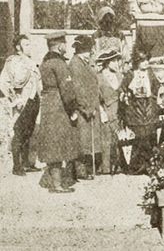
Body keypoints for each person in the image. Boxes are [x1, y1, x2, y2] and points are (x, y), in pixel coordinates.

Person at [33, 31, 80, 193]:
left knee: (51, 143)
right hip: (59, 106)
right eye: (64, 43)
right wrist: (73, 108)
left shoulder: (45, 63)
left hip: (48, 105)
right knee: (59, 144)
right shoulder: (59, 64)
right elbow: (66, 89)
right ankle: (58, 185)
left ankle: (55, 182)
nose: (65, 46)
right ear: (60, 46)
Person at [0, 34, 41, 175]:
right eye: (27, 45)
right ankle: (16, 167)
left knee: (28, 132)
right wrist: (14, 100)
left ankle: (27, 163)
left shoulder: (30, 62)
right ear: (18, 47)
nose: (30, 47)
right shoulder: (13, 62)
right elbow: (5, 83)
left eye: (30, 44)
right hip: (22, 102)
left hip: (33, 101)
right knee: (18, 133)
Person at [119, 51, 161, 174]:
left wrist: (154, 98)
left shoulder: (150, 74)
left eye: (147, 60)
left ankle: (150, 166)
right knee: (138, 138)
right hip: (135, 108)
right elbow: (122, 90)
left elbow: (156, 88)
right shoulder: (130, 74)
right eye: (143, 61)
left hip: (148, 108)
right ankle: (137, 167)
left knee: (150, 137)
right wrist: (125, 96)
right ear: (137, 62)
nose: (146, 63)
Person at [69, 35, 102, 180]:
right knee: (82, 141)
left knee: (88, 140)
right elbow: (78, 90)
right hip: (83, 109)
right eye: (89, 50)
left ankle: (86, 170)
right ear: (83, 50)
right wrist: (86, 108)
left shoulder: (84, 63)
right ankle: (80, 171)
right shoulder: (75, 65)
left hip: (90, 106)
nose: (91, 53)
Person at [96, 49, 123, 174]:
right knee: (106, 140)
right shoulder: (99, 77)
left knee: (118, 138)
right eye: (114, 61)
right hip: (106, 111)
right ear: (107, 62)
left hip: (118, 110)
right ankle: (106, 167)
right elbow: (97, 98)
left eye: (117, 60)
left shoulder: (119, 75)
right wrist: (102, 113)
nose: (116, 63)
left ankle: (118, 165)